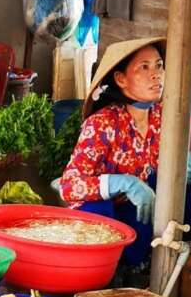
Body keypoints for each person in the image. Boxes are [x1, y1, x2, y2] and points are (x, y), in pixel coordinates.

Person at [58, 36, 168, 223]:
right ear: (121, 79)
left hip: (142, 208)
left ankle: (175, 249)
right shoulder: (103, 123)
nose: (156, 74)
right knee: (98, 210)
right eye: (144, 67)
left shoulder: (163, 116)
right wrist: (123, 183)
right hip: (109, 214)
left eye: (159, 65)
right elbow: (68, 186)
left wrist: (184, 164)